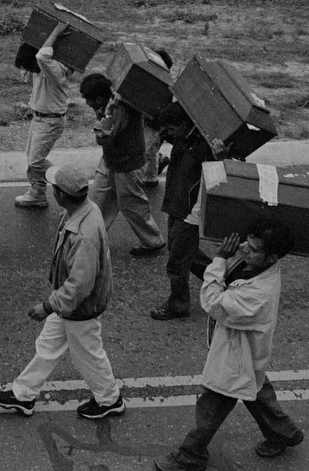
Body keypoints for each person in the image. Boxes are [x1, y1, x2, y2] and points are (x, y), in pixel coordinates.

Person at [153, 221, 304, 471]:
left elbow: (212, 301)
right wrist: (231, 255)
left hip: (236, 353)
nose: (244, 249)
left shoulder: (258, 294)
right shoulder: (260, 265)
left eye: (253, 248)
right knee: (254, 388)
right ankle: (283, 433)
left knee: (213, 402)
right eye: (246, 242)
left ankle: (192, 453)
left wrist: (220, 259)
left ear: (272, 257)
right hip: (245, 349)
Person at [0, 159, 125, 420]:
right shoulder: (84, 210)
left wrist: (48, 305)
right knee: (47, 346)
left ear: (62, 195)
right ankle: (23, 395)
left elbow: (78, 287)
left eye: (54, 188)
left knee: (88, 354)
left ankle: (109, 399)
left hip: (79, 307)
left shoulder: (82, 235)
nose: (51, 191)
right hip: (71, 304)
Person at [81, 73, 165, 257]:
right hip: (111, 161)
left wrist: (108, 112)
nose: (88, 105)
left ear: (99, 98)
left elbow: (103, 137)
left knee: (132, 205)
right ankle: (91, 238)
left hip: (127, 164)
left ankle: (153, 241)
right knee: (97, 200)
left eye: (90, 101)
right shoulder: (110, 102)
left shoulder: (120, 109)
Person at [150, 104, 215, 322]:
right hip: (176, 206)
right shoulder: (182, 138)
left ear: (184, 125)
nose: (167, 134)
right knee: (187, 253)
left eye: (171, 128)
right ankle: (226, 278)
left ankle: (178, 305)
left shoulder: (205, 148)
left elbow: (219, 175)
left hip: (190, 213)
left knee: (177, 261)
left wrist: (220, 157)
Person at [17, 23, 74, 208]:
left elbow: (42, 56)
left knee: (36, 160)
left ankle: (68, 183)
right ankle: (37, 193)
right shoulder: (38, 67)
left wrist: (55, 32)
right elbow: (26, 73)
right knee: (31, 157)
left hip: (51, 120)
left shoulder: (54, 69)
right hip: (39, 117)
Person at [138, 47, 174, 189]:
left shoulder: (164, 84)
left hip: (154, 123)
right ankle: (151, 177)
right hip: (153, 122)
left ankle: (148, 176)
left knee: (146, 150)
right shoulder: (161, 81)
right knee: (150, 151)